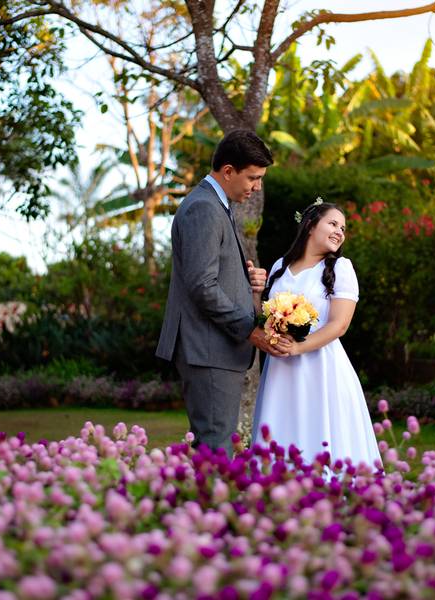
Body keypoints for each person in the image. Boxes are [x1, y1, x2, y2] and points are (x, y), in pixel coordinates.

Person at [156, 130, 291, 455]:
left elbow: (208, 274)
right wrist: (251, 330)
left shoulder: (215, 205)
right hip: (208, 349)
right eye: (253, 178)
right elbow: (202, 285)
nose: (257, 186)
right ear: (228, 170)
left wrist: (245, 280)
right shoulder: (204, 208)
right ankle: (209, 507)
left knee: (216, 449)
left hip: (213, 350)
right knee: (216, 452)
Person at [252, 200, 382, 468]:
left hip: (321, 367)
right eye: (333, 223)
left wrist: (298, 347)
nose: (340, 232)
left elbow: (339, 324)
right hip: (280, 368)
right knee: (280, 427)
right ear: (310, 225)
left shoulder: (340, 268)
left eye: (343, 228)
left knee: (319, 429)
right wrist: (256, 292)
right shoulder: (280, 266)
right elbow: (264, 318)